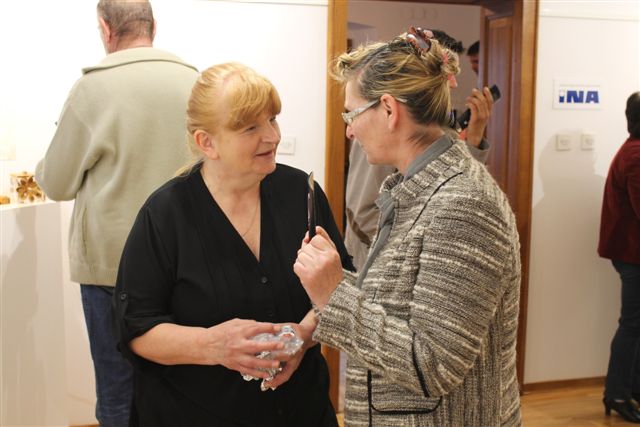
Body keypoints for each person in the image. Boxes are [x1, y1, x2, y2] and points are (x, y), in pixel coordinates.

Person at [294, 27, 522, 426]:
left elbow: (432, 365)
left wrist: (333, 295)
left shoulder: (463, 205)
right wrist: (330, 294)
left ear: (388, 110)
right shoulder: (417, 188)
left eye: (351, 114)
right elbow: (398, 304)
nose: (349, 130)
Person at [112, 62, 353, 427]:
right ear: (206, 142)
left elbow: (339, 285)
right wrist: (213, 345)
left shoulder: (301, 194)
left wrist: (303, 336)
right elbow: (136, 329)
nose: (272, 136)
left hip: (300, 409)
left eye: (272, 119)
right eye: (250, 128)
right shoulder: (165, 214)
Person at [34, 1, 198, 425]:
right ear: (153, 27)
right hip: (182, 262)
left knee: (117, 395)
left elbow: (57, 182)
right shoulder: (193, 81)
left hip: (112, 267)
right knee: (181, 391)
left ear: (105, 29)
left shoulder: (93, 89)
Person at [345, 29, 495, 270]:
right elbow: (363, 213)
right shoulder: (382, 139)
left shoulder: (462, 204)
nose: (454, 82)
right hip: (371, 259)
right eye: (445, 72)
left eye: (352, 114)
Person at [599, 91, 640, 423]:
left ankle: (630, 390)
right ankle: (617, 394)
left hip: (632, 252)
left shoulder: (633, 149)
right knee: (632, 324)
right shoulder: (636, 155)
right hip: (633, 254)